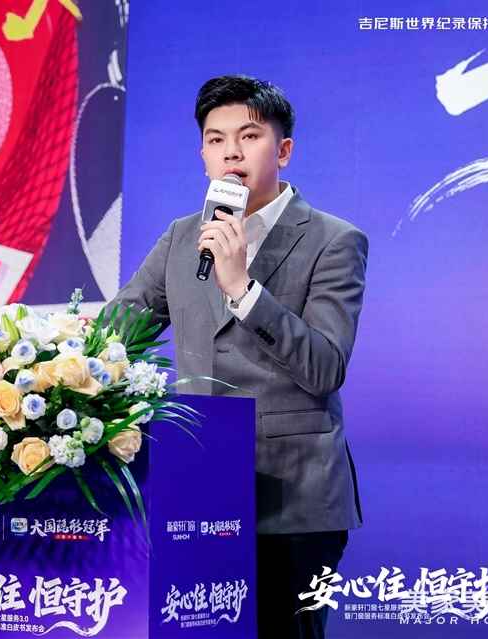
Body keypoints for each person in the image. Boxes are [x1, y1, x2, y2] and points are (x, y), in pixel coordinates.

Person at [108, 75, 367, 638]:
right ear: (203, 155)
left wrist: (243, 290)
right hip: (199, 489)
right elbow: (115, 334)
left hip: (295, 499)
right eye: (215, 139)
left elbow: (325, 367)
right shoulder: (182, 238)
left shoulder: (334, 241)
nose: (231, 152)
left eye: (249, 136)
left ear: (283, 149)